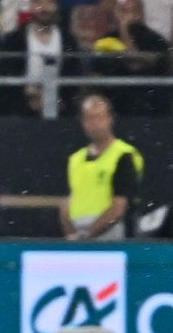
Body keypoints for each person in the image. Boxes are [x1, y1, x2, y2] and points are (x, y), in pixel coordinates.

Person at [61, 93, 144, 241]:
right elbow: (69, 202)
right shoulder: (76, 159)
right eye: (89, 118)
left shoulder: (123, 155)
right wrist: (73, 235)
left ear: (110, 119)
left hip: (109, 233)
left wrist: (86, 234)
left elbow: (119, 206)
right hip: (78, 234)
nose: (95, 123)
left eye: (99, 117)